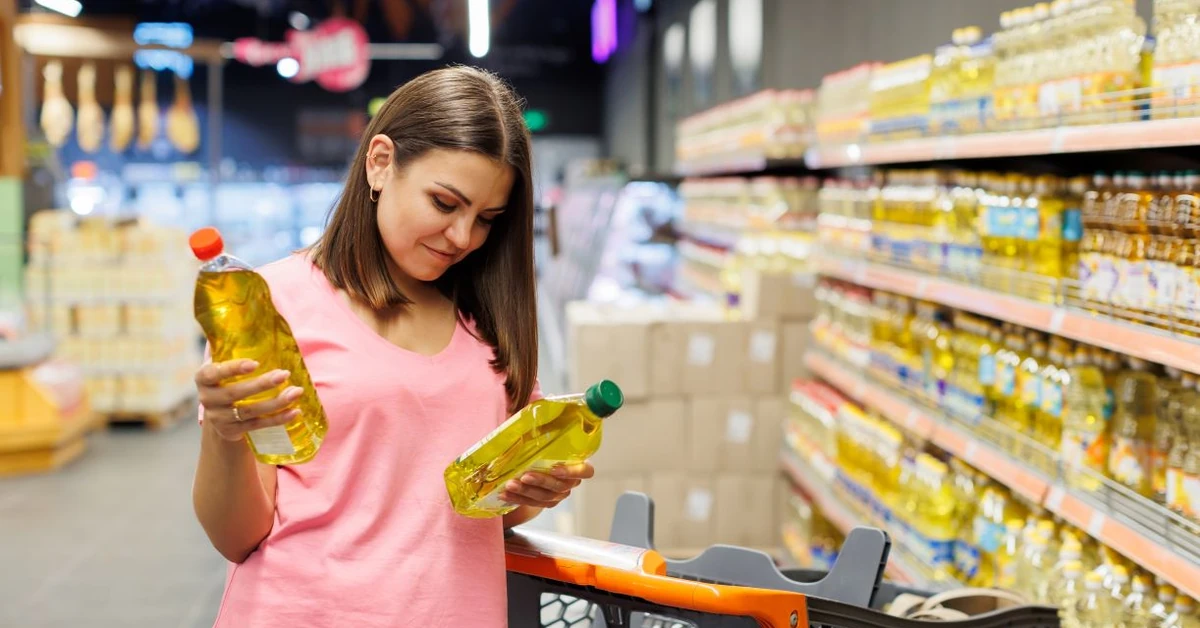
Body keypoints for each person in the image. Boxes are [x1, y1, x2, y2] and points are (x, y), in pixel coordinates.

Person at [190, 66, 592, 627]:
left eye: (486, 219)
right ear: (380, 162)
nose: (463, 237)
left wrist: (532, 491)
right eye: (445, 203)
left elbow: (483, 517)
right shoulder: (270, 304)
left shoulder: (488, 323)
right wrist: (226, 434)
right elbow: (237, 536)